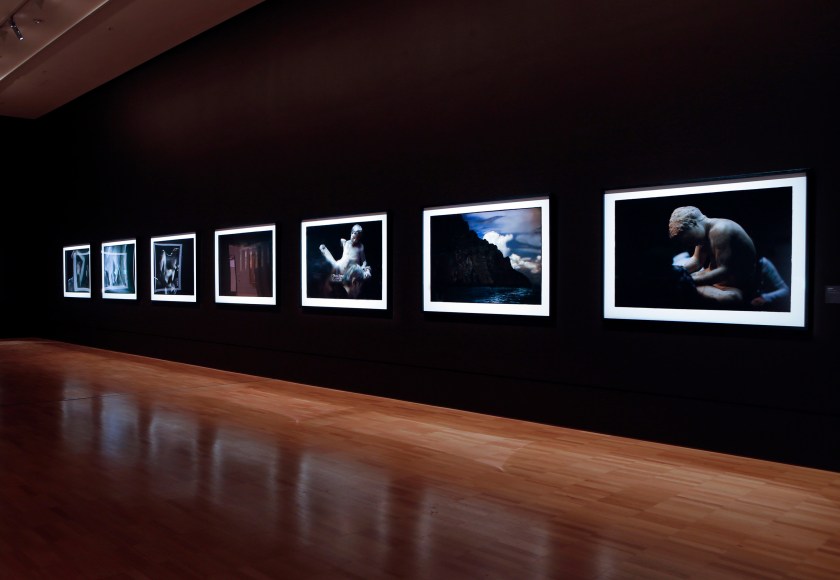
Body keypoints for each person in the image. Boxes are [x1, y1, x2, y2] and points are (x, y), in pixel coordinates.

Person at [668, 206, 757, 307]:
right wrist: (677, 271)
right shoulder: (704, 234)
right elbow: (697, 261)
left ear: (693, 224)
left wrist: (689, 280)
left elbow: (724, 271)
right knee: (674, 281)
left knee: (730, 298)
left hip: (734, 286)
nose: (688, 244)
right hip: (715, 280)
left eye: (689, 240)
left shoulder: (721, 230)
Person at [319, 223, 372, 298]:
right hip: (338, 267)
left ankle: (343, 279)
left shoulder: (360, 246)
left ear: (359, 238)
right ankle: (338, 277)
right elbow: (341, 243)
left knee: (358, 271)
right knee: (322, 247)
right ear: (351, 233)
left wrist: (363, 267)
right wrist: (342, 243)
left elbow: (364, 261)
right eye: (353, 236)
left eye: (357, 238)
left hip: (351, 271)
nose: (354, 239)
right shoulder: (346, 243)